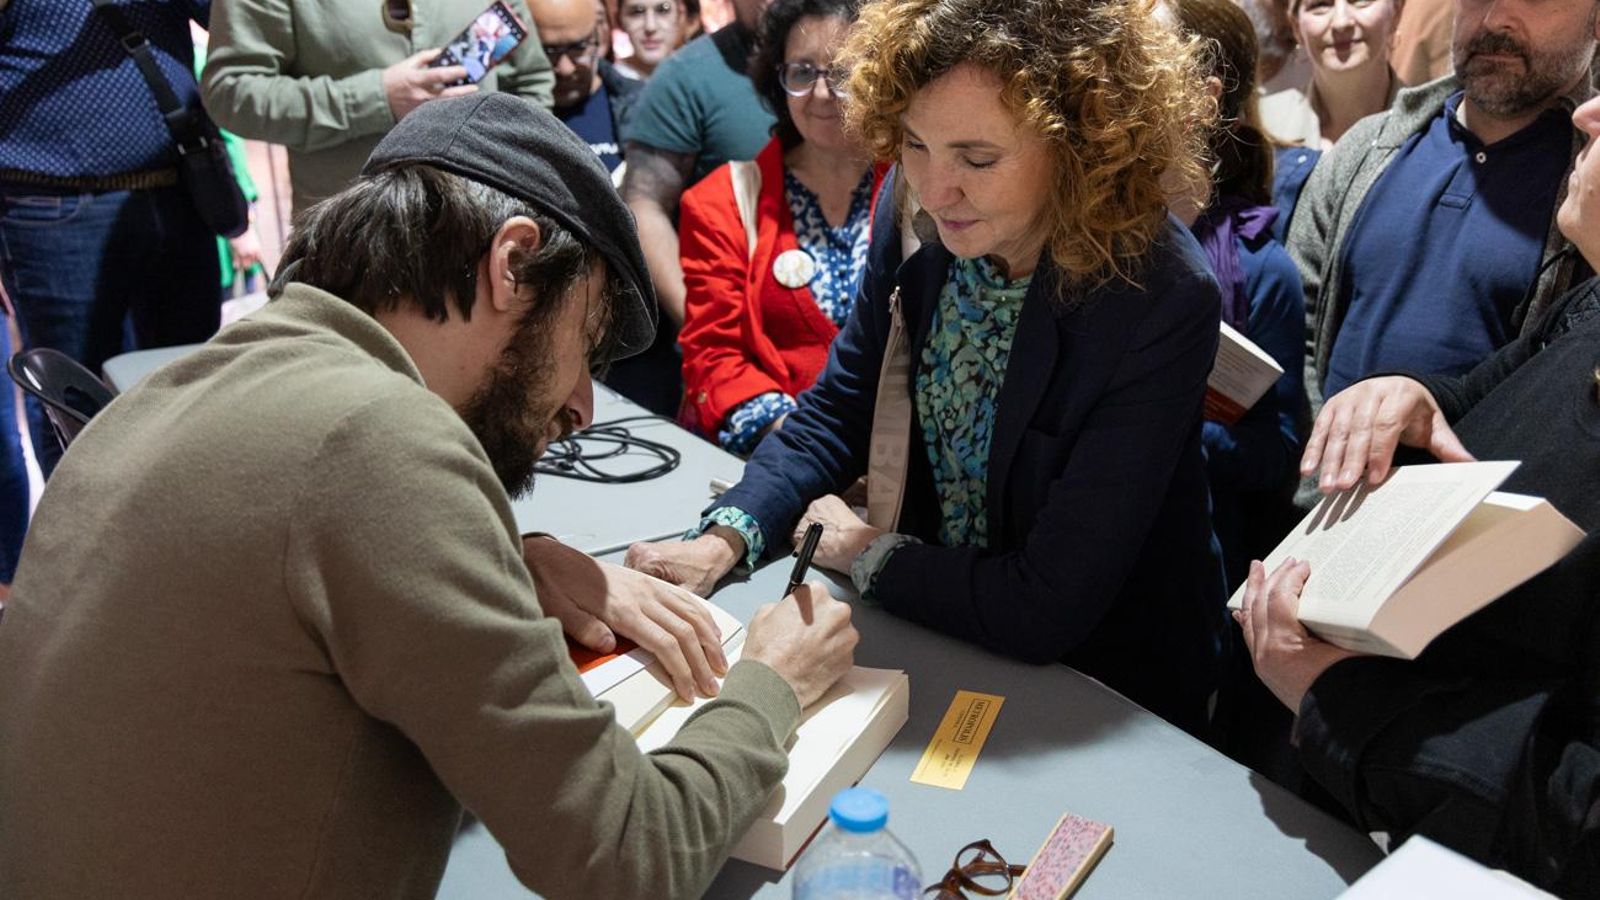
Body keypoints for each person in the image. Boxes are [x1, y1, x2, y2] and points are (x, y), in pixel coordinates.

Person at [0, 94, 858, 899]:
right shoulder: (383, 445)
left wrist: (508, 566)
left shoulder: (176, 386)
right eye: (586, 342)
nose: (582, 407)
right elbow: (628, 855)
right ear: (513, 265)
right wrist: (768, 684)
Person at [629, 0, 1231, 733]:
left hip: (1110, 684)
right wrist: (723, 538)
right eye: (914, 144)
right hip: (944, 630)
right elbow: (838, 408)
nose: (937, 188)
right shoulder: (914, 207)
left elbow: (1047, 604)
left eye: (977, 159)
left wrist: (869, 554)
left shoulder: (1156, 293)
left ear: (1080, 145)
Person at [1237, 92, 1600, 894]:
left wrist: (1341, 701)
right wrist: (1412, 391)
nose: (1589, 115)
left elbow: (1579, 809)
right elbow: (1488, 390)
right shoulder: (1594, 300)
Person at [1288, 0, 1595, 428]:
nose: (1493, 19)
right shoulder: (1367, 150)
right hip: (1334, 488)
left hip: (1494, 489)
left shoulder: (1589, 187)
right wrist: (1320, 467)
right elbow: (1297, 324)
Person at [0, 0, 223, 480]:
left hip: (180, 192)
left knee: (199, 392)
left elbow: (230, 21)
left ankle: (196, 541)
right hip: (53, 212)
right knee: (80, 409)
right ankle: (89, 552)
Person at [677, 0, 887, 453]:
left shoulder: (920, 188)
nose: (823, 94)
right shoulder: (722, 201)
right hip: (775, 456)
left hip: (903, 463)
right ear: (778, 80)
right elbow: (714, 356)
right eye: (802, 72)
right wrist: (806, 450)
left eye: (845, 73)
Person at [1171, 0, 1306, 589]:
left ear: (1203, 98)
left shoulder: (1261, 268)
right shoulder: (1087, 235)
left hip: (1195, 566)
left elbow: (1276, 453)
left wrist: (1164, 419)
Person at [202, 0, 554, 216]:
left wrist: (517, 190)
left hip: (482, 232)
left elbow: (531, 82)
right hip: (351, 243)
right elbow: (231, 91)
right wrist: (377, 98)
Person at [610, 0, 776, 415]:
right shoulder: (687, 76)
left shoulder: (855, 65)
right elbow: (643, 205)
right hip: (732, 353)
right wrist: (707, 327)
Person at [532, 0, 645, 176]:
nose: (565, 68)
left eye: (578, 48)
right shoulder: (504, 117)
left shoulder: (641, 104)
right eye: (549, 51)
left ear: (600, 35)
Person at [613, 0, 696, 79]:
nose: (650, 26)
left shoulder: (697, 74)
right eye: (637, 12)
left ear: (680, 16)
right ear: (619, 20)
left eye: (663, 10)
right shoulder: (608, 82)